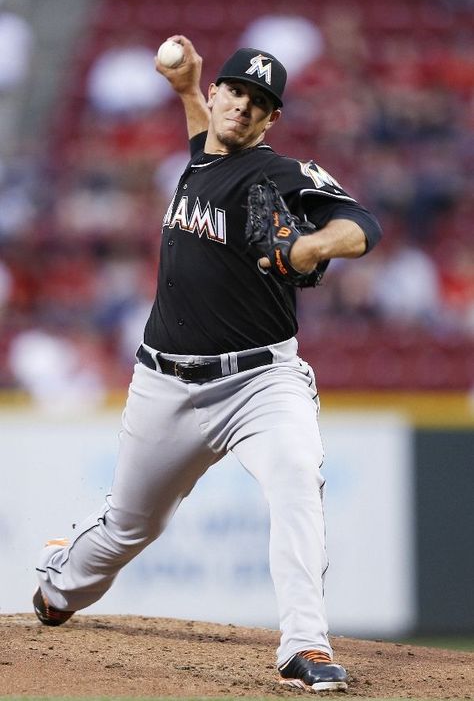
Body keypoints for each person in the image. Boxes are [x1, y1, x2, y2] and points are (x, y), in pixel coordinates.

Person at [34, 36, 382, 693]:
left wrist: (310, 246)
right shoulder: (201, 153)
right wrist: (186, 89)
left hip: (261, 382)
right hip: (164, 381)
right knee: (130, 525)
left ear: (272, 119)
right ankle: (59, 588)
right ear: (219, 95)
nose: (245, 108)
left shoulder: (282, 173)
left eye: (261, 102)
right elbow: (207, 139)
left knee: (296, 477)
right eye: (237, 92)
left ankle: (304, 644)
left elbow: (362, 224)